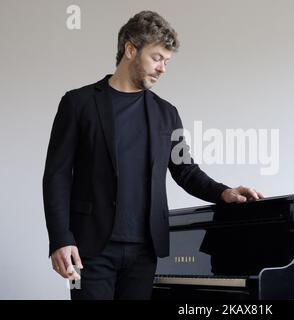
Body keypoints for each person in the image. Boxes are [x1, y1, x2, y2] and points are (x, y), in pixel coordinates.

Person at [42, 10, 263, 300]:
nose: (162, 69)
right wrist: (60, 239)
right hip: (89, 250)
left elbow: (186, 171)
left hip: (145, 251)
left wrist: (224, 193)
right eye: (157, 58)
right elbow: (56, 175)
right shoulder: (78, 103)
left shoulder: (167, 113)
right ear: (130, 49)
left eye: (167, 62)